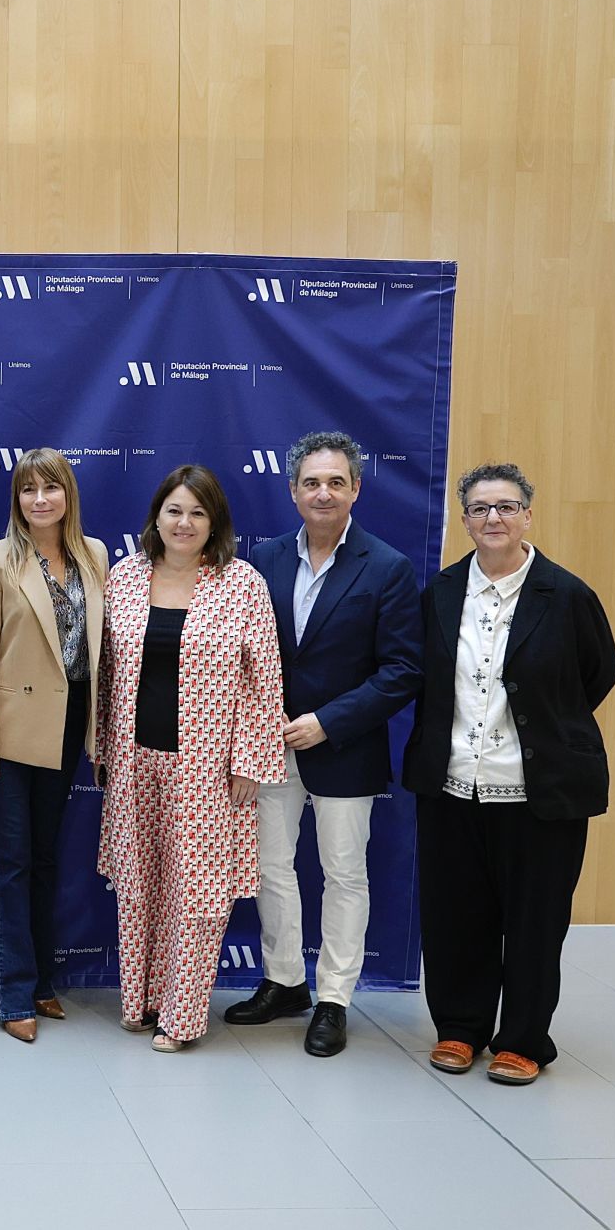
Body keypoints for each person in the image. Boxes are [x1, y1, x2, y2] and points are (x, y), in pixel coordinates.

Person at [402, 463, 615, 1086]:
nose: (492, 518)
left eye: (505, 506)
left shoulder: (566, 594)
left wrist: (545, 733)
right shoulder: (442, 592)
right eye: (479, 508)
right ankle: (460, 1028)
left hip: (538, 791)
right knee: (455, 915)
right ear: (465, 520)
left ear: (527, 515)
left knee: (535, 921)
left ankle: (523, 1039)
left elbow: (596, 673)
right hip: (451, 783)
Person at [228, 431, 421, 1056]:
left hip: (345, 746)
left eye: (336, 482)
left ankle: (334, 999)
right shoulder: (264, 559)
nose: (324, 493)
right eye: (311, 482)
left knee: (343, 874)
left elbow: (402, 670)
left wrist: (329, 722)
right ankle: (284, 982)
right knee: (270, 868)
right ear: (293, 491)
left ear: (356, 489)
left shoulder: (387, 567)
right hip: (269, 745)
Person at [96, 464, 285, 1052]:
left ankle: (181, 1019)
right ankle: (141, 1000)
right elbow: (105, 673)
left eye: (197, 513)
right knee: (140, 887)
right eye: (174, 510)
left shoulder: (242, 584)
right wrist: (102, 747)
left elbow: (263, 681)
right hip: (133, 763)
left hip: (207, 769)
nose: (184, 522)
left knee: (198, 894)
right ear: (156, 516)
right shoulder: (125, 578)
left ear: (215, 522)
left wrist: (250, 760)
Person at [0, 448, 108, 1042]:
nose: (40, 499)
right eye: (28, 490)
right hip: (11, 730)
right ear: (17, 499)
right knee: (13, 863)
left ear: (68, 495)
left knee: (46, 858)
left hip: (70, 725)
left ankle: (43, 981)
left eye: (51, 488)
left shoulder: (95, 554)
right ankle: (15, 993)